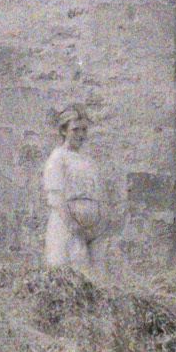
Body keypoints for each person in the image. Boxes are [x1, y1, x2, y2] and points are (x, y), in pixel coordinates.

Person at [42, 104, 102, 269]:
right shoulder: (58, 158)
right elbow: (56, 198)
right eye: (75, 130)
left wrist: (94, 228)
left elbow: (96, 195)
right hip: (66, 228)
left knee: (89, 277)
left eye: (84, 130)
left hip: (89, 232)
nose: (81, 135)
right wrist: (73, 226)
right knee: (67, 273)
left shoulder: (87, 161)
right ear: (63, 131)